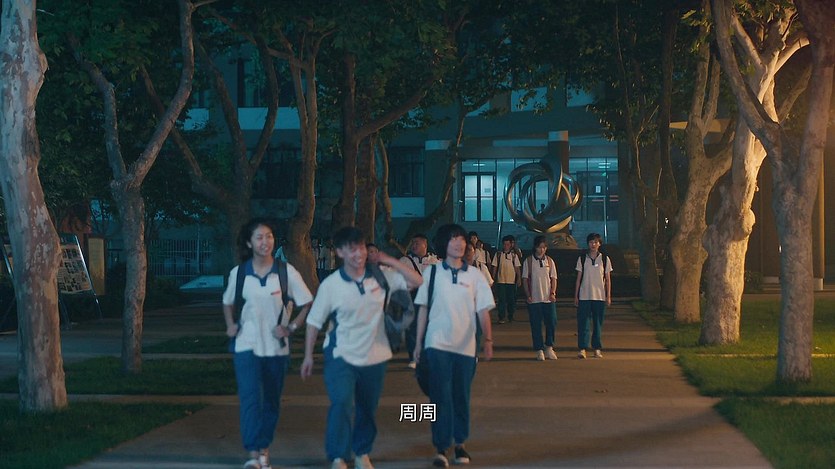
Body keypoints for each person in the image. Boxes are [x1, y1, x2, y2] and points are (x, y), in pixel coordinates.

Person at [301, 227, 422, 469]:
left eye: (361, 248)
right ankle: (338, 456)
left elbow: (418, 281)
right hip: (341, 355)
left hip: (375, 355)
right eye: (351, 249)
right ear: (340, 252)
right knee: (341, 404)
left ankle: (362, 452)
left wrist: (388, 260)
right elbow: (314, 321)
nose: (358, 254)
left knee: (367, 408)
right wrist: (307, 356)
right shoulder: (331, 285)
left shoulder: (380, 276)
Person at [222, 218, 314, 469]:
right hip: (246, 345)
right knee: (250, 399)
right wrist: (230, 325)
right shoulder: (240, 273)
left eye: (269, 236)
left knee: (271, 401)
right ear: (249, 243)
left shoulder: (285, 272)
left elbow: (307, 302)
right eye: (259, 237)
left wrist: (291, 327)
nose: (265, 242)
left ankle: (264, 448)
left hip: (276, 348)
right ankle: (254, 455)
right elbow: (228, 302)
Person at [414, 224, 495, 468]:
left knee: (461, 396)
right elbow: (423, 309)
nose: (459, 244)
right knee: (440, 396)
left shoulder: (475, 276)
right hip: (437, 344)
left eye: (461, 239)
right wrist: (418, 343)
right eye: (453, 239)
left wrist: (488, 340)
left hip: (466, 348)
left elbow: (483, 311)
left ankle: (460, 443)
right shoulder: (432, 273)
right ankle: (441, 447)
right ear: (443, 244)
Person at [400, 233, 440, 368]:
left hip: (430, 299)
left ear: (425, 244)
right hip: (412, 298)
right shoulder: (405, 261)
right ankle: (414, 357)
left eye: (417, 243)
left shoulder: (435, 262)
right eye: (412, 243)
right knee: (412, 328)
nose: (414, 245)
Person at [574, 232, 613, 359]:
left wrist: (608, 296)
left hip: (599, 296)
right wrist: (576, 296)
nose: (593, 244)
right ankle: (582, 348)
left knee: (597, 323)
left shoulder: (605, 259)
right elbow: (578, 278)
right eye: (591, 242)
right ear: (588, 244)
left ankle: (597, 348)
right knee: (583, 323)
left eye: (596, 242)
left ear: (599, 244)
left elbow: (608, 279)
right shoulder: (582, 259)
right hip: (584, 295)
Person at [522, 235, 558, 361]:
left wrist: (553, 293)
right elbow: (525, 279)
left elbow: (553, 278)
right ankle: (539, 349)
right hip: (534, 299)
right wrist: (528, 295)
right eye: (539, 247)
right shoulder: (529, 261)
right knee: (536, 324)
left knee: (551, 322)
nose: (542, 250)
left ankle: (549, 347)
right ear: (535, 247)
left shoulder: (550, 261)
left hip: (548, 299)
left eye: (544, 247)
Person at [490, 235, 521, 324]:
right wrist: (493, 278)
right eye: (504, 244)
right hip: (501, 281)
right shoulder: (498, 254)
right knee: (501, 300)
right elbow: (495, 266)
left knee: (511, 299)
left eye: (507, 244)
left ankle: (511, 316)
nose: (506, 246)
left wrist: (519, 278)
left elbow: (517, 268)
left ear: (510, 245)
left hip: (511, 281)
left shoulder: (514, 255)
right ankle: (501, 317)